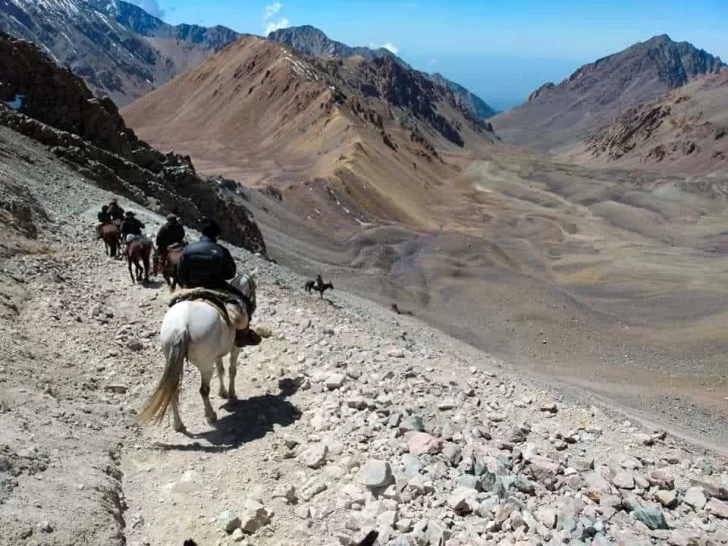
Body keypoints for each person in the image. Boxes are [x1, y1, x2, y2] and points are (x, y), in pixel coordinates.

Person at [177, 218, 252, 347]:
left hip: (192, 287)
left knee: (173, 303)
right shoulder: (221, 251)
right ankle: (241, 336)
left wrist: (188, 284)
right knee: (244, 301)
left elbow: (181, 274)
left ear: (202, 233)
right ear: (217, 235)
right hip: (217, 287)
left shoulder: (188, 249)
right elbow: (230, 274)